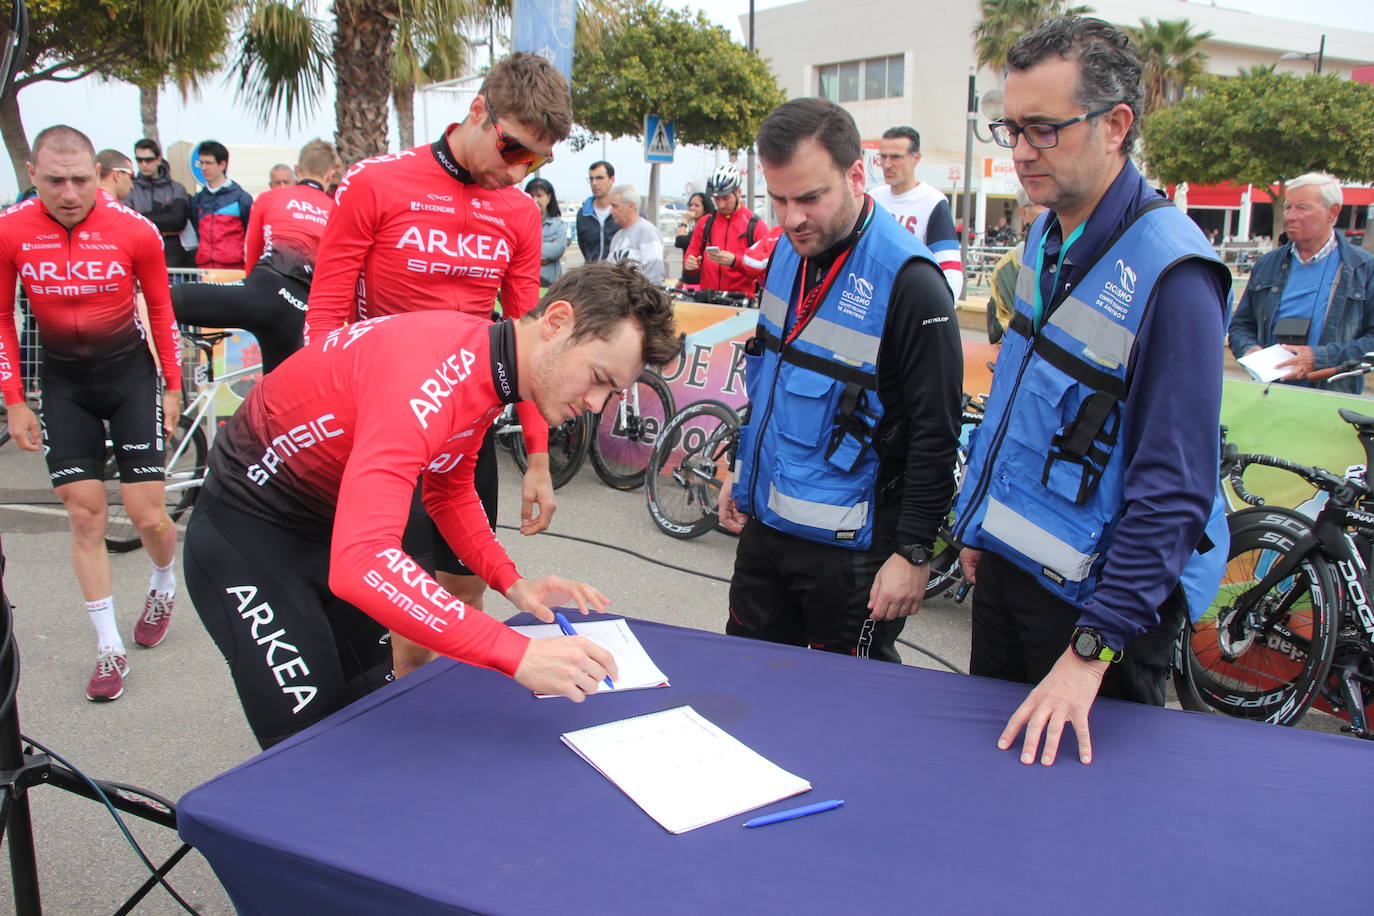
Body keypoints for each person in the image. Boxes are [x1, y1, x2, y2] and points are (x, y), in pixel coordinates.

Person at [184, 263, 680, 748]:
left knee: (369, 722)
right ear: (556, 323)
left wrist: (509, 580)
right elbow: (362, 563)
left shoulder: (489, 364)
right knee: (310, 757)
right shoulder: (430, 371)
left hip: (324, 531)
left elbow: (449, 486)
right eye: (597, 377)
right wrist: (516, 652)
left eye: (610, 392)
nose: (596, 404)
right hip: (247, 538)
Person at [951, 17, 1233, 767]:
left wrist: (1090, 651)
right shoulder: (1048, 238)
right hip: (1008, 572)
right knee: (992, 798)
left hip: (1097, 619)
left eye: (1042, 129)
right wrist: (978, 520)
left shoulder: (1175, 274)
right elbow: (1018, 399)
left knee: (1082, 837)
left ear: (1116, 126)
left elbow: (1174, 490)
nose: (1019, 152)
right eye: (1009, 128)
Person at [306, 52, 569, 677]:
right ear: (478, 111)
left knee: (466, 592)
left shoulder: (519, 212)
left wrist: (537, 457)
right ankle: (400, 733)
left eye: (536, 160)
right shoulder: (375, 182)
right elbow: (324, 320)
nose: (520, 170)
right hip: (383, 423)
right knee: (404, 609)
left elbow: (532, 340)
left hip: (465, 428)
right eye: (513, 150)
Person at [717, 98, 962, 664]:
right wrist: (741, 468)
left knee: (845, 716)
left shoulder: (913, 282)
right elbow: (770, 380)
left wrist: (914, 553)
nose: (792, 217)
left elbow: (936, 431)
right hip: (767, 528)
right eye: (777, 199)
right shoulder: (786, 253)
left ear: (857, 174)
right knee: (745, 681)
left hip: (855, 555)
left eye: (809, 197)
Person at [0, 125, 184, 702]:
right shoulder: (10, 231)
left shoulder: (135, 230)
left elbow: (161, 309)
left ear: (97, 176)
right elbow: (2, 319)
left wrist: (173, 385)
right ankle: (107, 648)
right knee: (85, 518)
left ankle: (162, 581)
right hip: (63, 385)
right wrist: (14, 401)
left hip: (130, 378)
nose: (71, 192)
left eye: (81, 179)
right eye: (56, 180)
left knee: (148, 515)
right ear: (33, 176)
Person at [171, 140, 342, 372]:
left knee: (162, 300)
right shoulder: (337, 210)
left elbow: (250, 256)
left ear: (297, 170)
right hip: (301, 311)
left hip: (261, 292)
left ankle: (160, 384)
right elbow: (337, 274)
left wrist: (252, 290)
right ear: (331, 175)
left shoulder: (269, 198)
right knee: (280, 399)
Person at [1228, 171, 1374, 395]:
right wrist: (1250, 350)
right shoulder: (1267, 264)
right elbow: (1240, 326)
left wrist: (1319, 358)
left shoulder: (1363, 269)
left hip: (1332, 401)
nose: (1290, 216)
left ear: (1332, 212)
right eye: (1288, 207)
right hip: (1269, 395)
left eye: (1302, 208)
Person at [868, 126, 964, 298]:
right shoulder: (872, 198)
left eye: (896, 157)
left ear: (916, 158)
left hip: (911, 299)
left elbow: (950, 267)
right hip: (873, 299)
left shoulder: (933, 201)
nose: (887, 164)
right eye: (883, 157)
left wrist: (942, 311)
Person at [683, 165, 767, 296]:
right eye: (717, 199)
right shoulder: (706, 222)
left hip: (740, 302)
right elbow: (692, 252)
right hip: (708, 300)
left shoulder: (754, 224)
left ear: (738, 192)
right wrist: (690, 263)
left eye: (726, 198)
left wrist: (735, 261)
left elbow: (764, 268)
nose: (721, 204)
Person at [986, 189, 1047, 344]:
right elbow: (1004, 330)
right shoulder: (1008, 268)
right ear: (1023, 213)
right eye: (1042, 205)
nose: (1051, 213)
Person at [128, 138, 194, 268]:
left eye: (148, 160)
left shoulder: (177, 188)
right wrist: (163, 216)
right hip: (139, 248)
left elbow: (177, 221)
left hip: (172, 251)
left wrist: (141, 216)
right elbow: (127, 221)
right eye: (139, 160)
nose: (144, 164)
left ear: (158, 159)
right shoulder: (130, 188)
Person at [189, 140, 254, 270]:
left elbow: (251, 235)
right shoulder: (197, 200)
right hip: (205, 269)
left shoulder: (242, 198)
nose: (204, 167)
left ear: (222, 164)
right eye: (201, 163)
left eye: (209, 163)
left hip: (234, 269)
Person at [606, 184, 666, 286]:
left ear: (631, 206)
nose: (611, 211)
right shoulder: (617, 237)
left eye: (615, 206)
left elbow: (654, 271)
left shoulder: (647, 231)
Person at [525, 176, 567, 288]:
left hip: (550, 284)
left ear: (549, 197)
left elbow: (558, 249)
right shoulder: (519, 223)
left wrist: (526, 251)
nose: (535, 200)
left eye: (539, 196)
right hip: (525, 282)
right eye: (531, 196)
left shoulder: (558, 225)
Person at [576, 160, 620, 264]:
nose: (594, 183)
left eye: (599, 178)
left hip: (618, 275)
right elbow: (583, 247)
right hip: (592, 275)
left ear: (611, 179)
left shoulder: (622, 211)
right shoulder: (583, 214)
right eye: (591, 179)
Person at [674, 191, 714, 286]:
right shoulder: (694, 229)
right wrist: (682, 279)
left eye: (697, 205)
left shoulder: (705, 229)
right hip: (689, 279)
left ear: (705, 209)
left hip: (699, 281)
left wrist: (684, 221)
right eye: (691, 204)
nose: (692, 208)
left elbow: (679, 241)